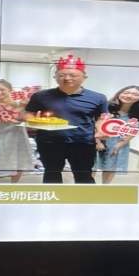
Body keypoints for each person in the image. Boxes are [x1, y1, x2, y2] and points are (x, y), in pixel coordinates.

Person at [23, 54, 108, 184]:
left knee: (84, 175)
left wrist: (101, 130)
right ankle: (53, 195)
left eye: (73, 75)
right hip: (49, 141)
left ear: (84, 77)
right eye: (62, 75)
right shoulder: (41, 95)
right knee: (51, 173)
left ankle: (86, 196)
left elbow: (101, 118)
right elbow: (29, 113)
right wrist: (34, 121)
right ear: (55, 77)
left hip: (83, 142)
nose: (67, 78)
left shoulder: (98, 97)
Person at [0, 79, 33, 183]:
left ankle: (13, 186)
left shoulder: (23, 103)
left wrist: (24, 118)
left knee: (18, 161)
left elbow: (29, 119)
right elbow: (4, 118)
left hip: (17, 136)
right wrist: (20, 108)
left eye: (1, 89)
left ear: (10, 90)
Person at [95, 85, 139, 184]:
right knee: (91, 165)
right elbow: (96, 124)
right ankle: (87, 187)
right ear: (119, 94)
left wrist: (119, 145)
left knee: (110, 167)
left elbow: (135, 130)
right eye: (126, 93)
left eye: (135, 94)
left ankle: (104, 188)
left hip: (119, 143)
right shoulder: (107, 107)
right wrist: (98, 142)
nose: (129, 96)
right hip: (98, 140)